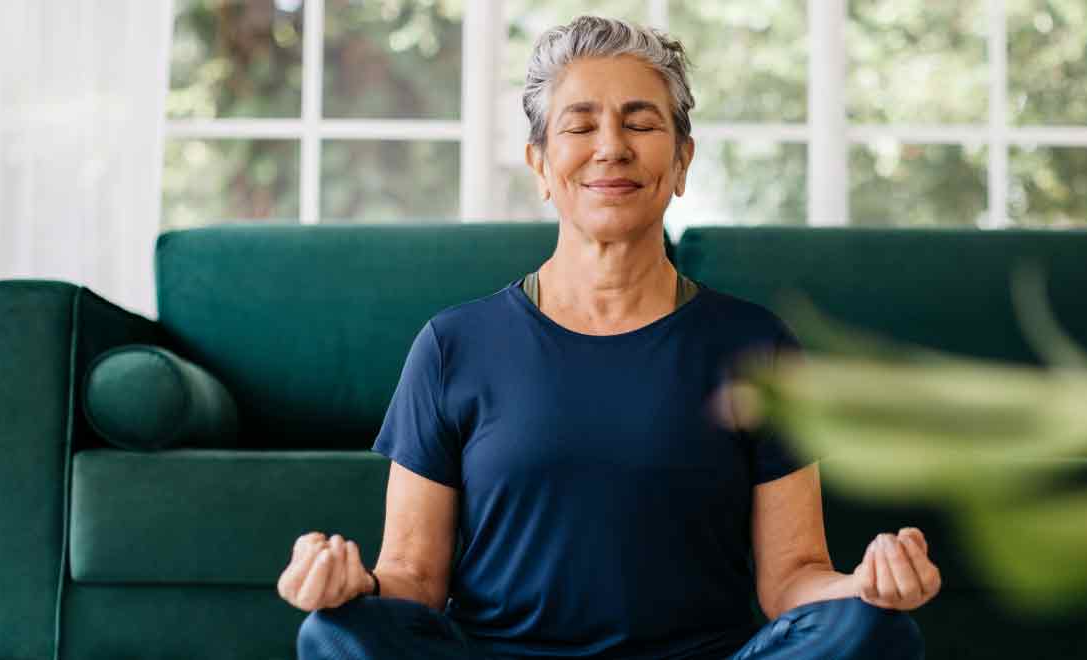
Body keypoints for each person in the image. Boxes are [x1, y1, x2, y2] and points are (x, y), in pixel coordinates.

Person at [279, 15, 937, 659]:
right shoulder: (453, 345)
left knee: (877, 633)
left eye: (641, 122)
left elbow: (793, 576)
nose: (611, 146)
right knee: (336, 634)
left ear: (681, 160)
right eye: (580, 124)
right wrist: (353, 586)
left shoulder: (757, 345)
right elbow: (412, 580)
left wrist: (864, 589)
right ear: (540, 163)